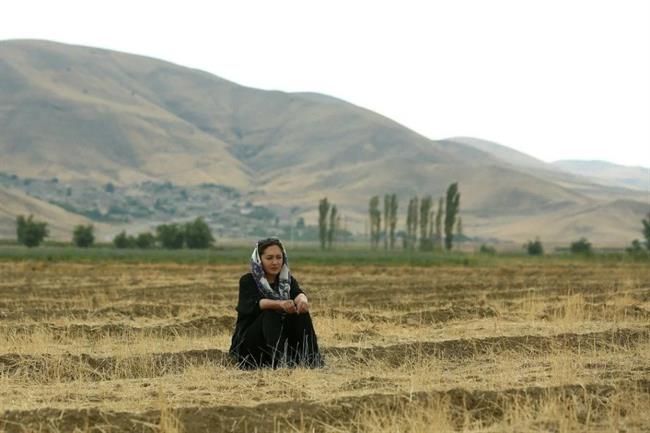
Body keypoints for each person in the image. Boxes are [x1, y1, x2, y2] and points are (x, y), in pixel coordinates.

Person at [229, 237, 323, 369]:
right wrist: (280, 304)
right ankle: (283, 363)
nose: (275, 262)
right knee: (270, 313)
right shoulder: (248, 280)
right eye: (269, 258)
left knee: (301, 314)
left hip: (279, 341)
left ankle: (313, 360)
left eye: (279, 257)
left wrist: (302, 302)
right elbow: (257, 304)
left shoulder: (287, 280)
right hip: (252, 347)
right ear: (259, 260)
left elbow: (298, 294)